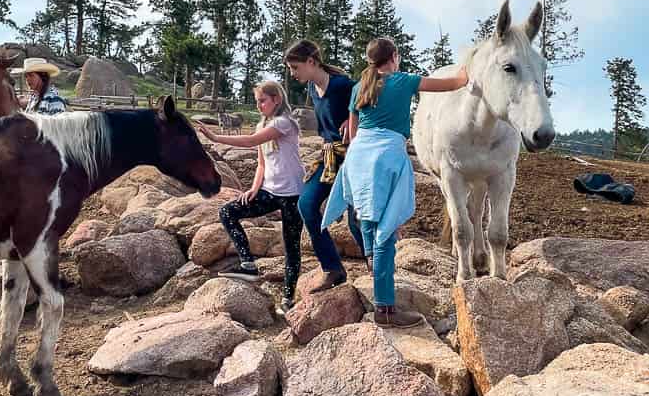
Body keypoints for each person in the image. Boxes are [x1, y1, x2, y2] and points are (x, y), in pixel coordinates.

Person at [322, 37, 469, 326]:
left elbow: (352, 132)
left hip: (360, 157)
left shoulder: (359, 87)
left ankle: (378, 285)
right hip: (387, 156)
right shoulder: (404, 80)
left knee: (367, 221)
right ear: (395, 57)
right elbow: (454, 83)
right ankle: (385, 309)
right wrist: (471, 67)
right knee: (386, 233)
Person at [196, 81, 304, 314]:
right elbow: (262, 162)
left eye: (262, 100)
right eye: (256, 101)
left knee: (292, 246)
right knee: (227, 212)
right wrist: (254, 188)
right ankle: (247, 264)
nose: (258, 105)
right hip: (270, 192)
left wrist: (216, 137)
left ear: (276, 99)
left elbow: (251, 141)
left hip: (293, 195)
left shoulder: (284, 123)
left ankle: (288, 297)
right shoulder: (262, 124)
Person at [284, 40, 363, 292]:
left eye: (295, 67)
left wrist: (355, 118)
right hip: (330, 155)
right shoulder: (311, 88)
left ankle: (377, 268)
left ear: (311, 62)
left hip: (354, 156)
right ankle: (333, 268)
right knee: (306, 204)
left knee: (356, 220)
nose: (292, 73)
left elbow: (368, 95)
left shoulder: (342, 85)